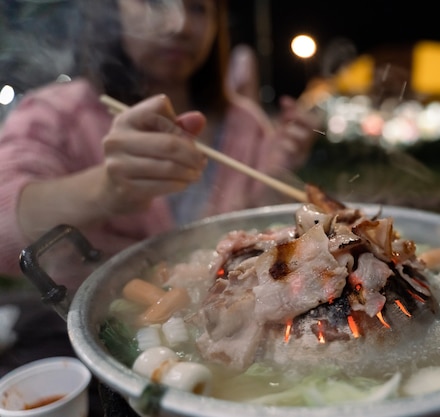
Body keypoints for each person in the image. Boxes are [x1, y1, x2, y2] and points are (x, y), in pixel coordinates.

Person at [0, 0, 320, 288]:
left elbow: (257, 226)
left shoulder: (244, 122)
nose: (180, 25)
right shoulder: (56, 114)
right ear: (113, 11)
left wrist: (278, 167)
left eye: (197, 8)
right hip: (92, 335)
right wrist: (107, 189)